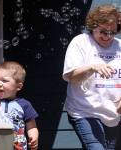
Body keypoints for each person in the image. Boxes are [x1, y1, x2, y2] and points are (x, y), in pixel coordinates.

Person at [62, 4, 121, 150]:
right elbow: (71, 76)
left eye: (112, 32)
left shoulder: (119, 46)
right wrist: (92, 67)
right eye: (103, 32)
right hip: (84, 111)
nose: (108, 37)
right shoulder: (81, 42)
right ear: (93, 26)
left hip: (112, 115)